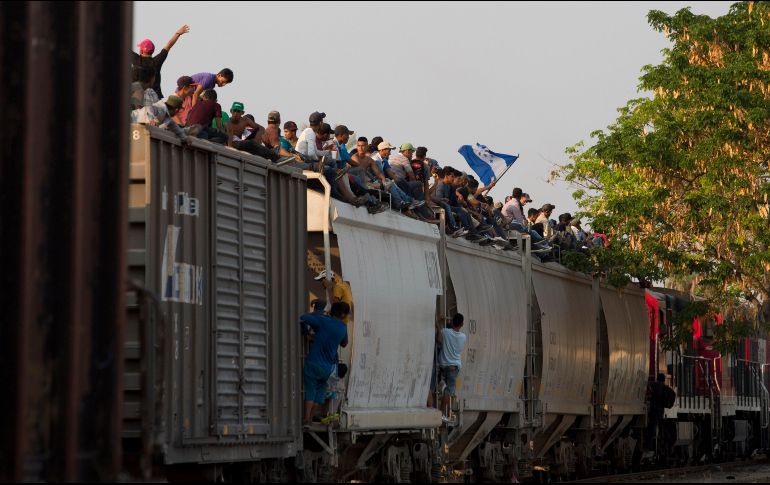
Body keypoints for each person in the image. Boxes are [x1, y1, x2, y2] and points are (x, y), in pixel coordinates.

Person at [299, 301, 350, 425]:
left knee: (310, 390)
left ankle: (306, 418)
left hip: (313, 362)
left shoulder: (323, 321)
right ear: (343, 314)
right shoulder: (343, 327)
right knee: (319, 392)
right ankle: (311, 418)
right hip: (327, 367)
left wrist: (318, 315)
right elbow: (344, 343)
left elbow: (303, 318)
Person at [131, 24, 190, 98]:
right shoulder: (157, 61)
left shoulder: (136, 60)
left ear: (141, 51)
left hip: (139, 100)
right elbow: (168, 45)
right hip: (156, 98)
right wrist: (178, 33)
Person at [434, 313, 467, 418]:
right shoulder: (463, 337)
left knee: (445, 387)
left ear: (452, 322)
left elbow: (439, 340)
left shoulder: (445, 332)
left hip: (443, 365)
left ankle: (441, 385)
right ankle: (441, 413)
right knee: (449, 391)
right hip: (454, 367)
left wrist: (438, 324)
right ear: (462, 324)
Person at [643, 373, 672, 458]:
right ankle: (661, 443)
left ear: (657, 379)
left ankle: (649, 446)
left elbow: (648, 385)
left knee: (651, 428)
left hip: (654, 410)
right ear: (663, 380)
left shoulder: (655, 385)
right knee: (660, 428)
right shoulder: (665, 387)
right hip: (661, 411)